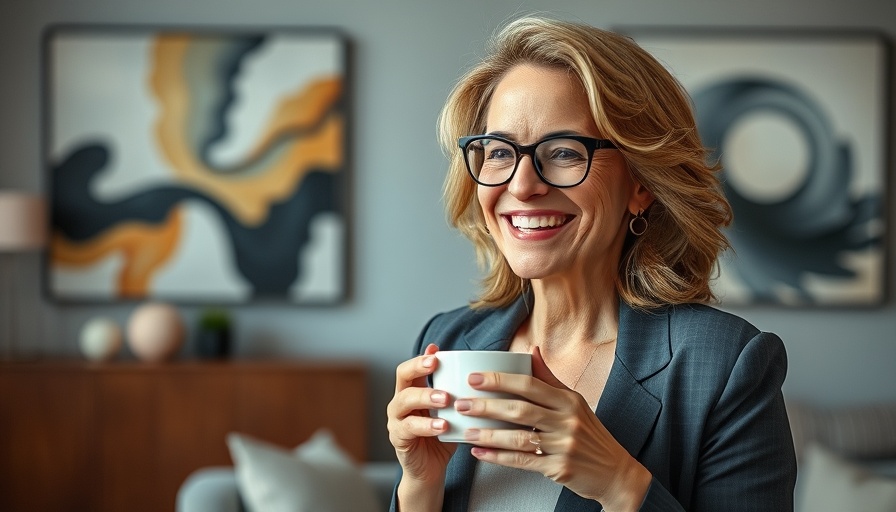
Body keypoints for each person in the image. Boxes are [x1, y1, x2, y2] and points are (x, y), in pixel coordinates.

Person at [386, 15, 796, 512]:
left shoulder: (727, 364)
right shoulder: (447, 339)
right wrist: (418, 488)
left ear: (641, 184)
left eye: (563, 151)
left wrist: (619, 482)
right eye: (498, 151)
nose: (521, 185)